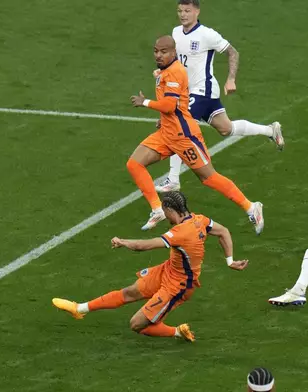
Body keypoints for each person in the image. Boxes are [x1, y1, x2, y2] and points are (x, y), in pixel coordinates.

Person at [52, 191, 248, 341]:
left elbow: (143, 246)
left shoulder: (180, 232)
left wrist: (122, 242)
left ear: (170, 209)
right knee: (129, 292)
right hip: (168, 271)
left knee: (136, 325)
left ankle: (177, 332)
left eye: (165, 213)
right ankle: (79, 309)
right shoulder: (201, 220)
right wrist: (230, 261)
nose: (166, 218)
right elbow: (224, 231)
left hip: (178, 286)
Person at [128, 36, 264, 234]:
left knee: (209, 178)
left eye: (163, 51)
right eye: (156, 51)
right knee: (134, 163)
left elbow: (169, 105)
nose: (158, 55)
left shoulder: (175, 72)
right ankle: (157, 209)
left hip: (185, 137)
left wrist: (145, 102)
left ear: (174, 52)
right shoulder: (166, 71)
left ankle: (251, 207)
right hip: (167, 133)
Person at [156, 0, 283, 193]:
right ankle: (270, 131)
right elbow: (175, 61)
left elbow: (233, 52)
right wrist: (162, 72)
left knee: (177, 125)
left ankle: (173, 178)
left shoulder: (207, 34)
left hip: (202, 90)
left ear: (197, 11)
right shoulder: (175, 33)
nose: (183, 15)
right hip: (188, 92)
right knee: (226, 128)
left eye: (187, 11)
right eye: (180, 11)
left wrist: (231, 79)